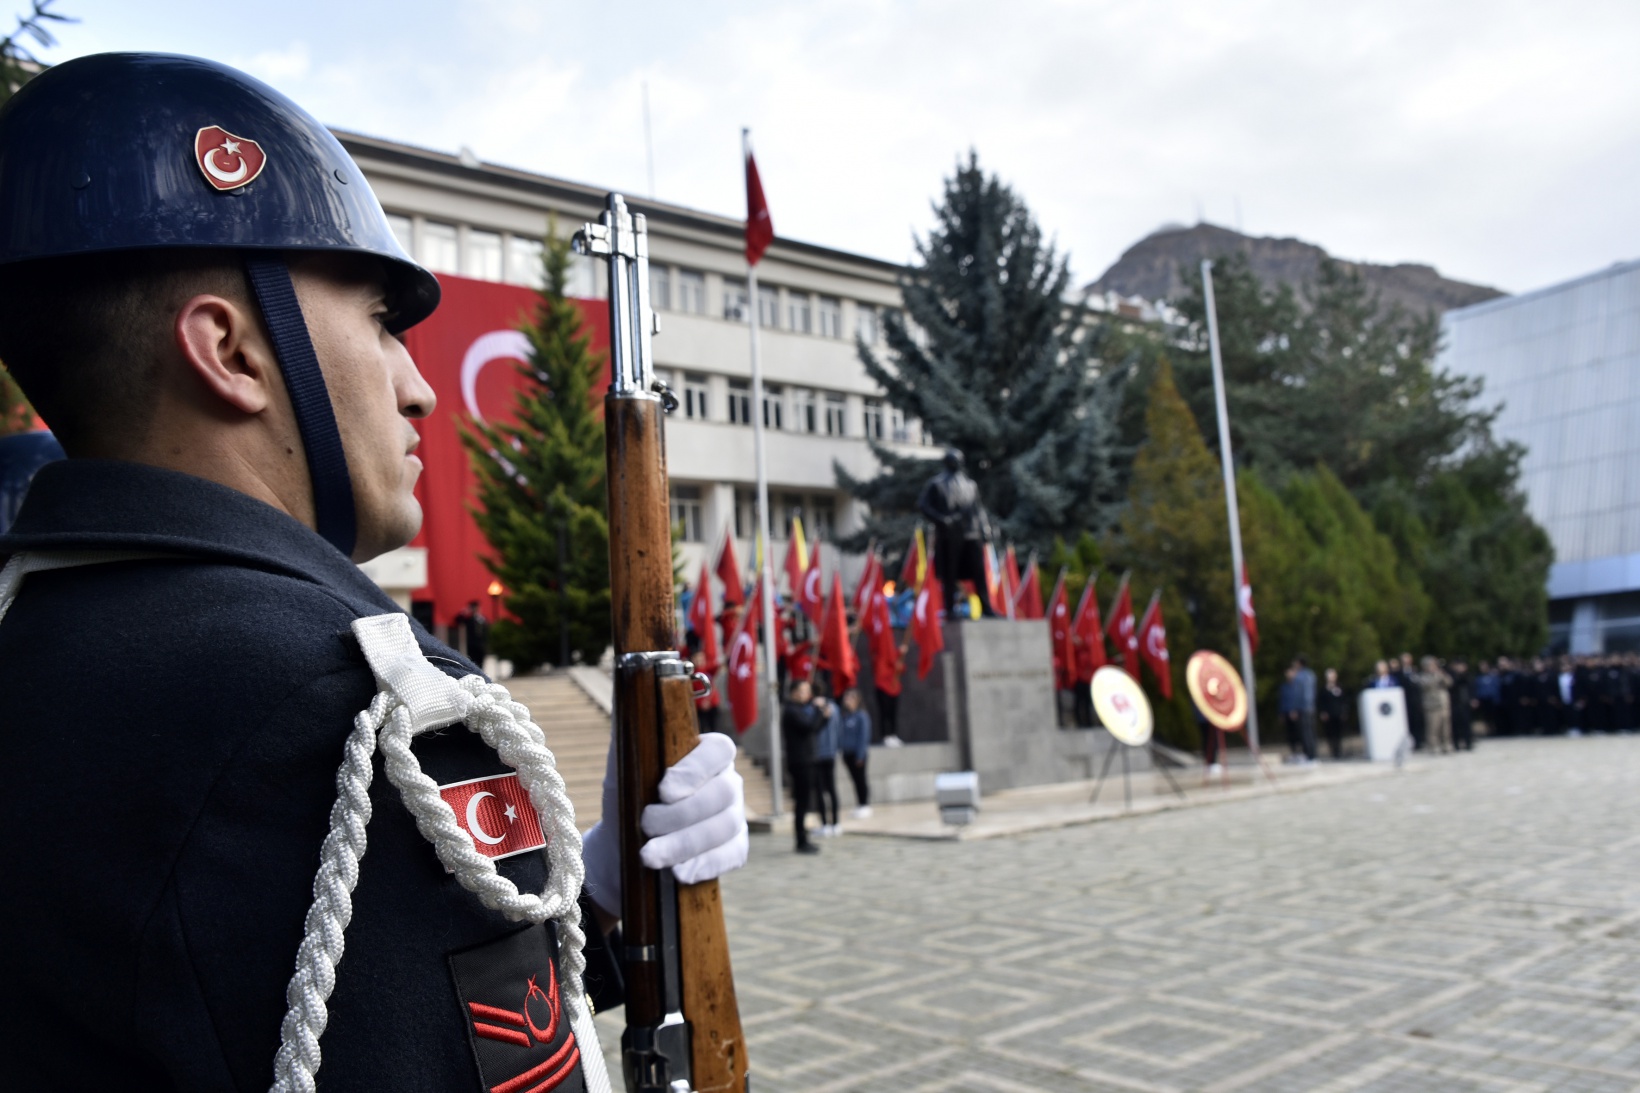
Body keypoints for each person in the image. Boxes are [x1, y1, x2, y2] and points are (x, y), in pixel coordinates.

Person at [0, 53, 747, 1092]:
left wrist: (596, 892)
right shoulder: (342, 711)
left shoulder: (38, 644)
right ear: (231, 352)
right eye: (381, 324)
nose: (419, 390)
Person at [917, 448, 998, 616]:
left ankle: (987, 607)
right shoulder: (936, 484)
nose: (958, 463)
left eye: (960, 460)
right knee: (950, 572)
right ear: (947, 463)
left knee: (979, 571)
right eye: (954, 460)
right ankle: (950, 609)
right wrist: (942, 520)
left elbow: (978, 509)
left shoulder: (970, 485)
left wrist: (985, 528)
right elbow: (923, 505)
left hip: (972, 533)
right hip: (950, 535)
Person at [781, 679, 826, 853]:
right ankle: (801, 840)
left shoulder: (800, 709)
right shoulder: (792, 711)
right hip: (800, 761)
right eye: (803, 690)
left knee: (805, 800)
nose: (807, 694)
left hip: (807, 760)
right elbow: (809, 726)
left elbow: (815, 728)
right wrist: (819, 711)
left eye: (808, 690)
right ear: (794, 692)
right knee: (802, 801)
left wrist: (823, 717)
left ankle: (803, 837)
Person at [811, 684, 842, 836]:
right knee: (831, 789)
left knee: (821, 790)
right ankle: (835, 823)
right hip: (831, 753)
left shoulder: (813, 708)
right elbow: (838, 729)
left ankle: (825, 824)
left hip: (818, 753)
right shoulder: (835, 708)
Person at [838, 688, 874, 817]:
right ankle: (859, 804)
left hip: (858, 754)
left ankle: (865, 804)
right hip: (847, 753)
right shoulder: (845, 716)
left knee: (860, 779)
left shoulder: (861, 716)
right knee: (854, 780)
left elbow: (863, 737)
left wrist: (860, 755)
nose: (847, 700)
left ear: (857, 700)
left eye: (850, 697)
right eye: (846, 697)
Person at [1415, 656, 1454, 754]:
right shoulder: (1422, 676)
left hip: (1443, 704)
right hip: (1431, 706)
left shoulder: (1440, 674)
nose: (1432, 667)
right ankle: (1433, 746)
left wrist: (1442, 675)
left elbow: (1449, 683)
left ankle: (1446, 744)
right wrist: (1435, 676)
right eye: (1430, 665)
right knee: (1433, 727)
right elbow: (1426, 685)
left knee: (1446, 727)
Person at [1395, 653, 1426, 749]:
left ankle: (1419, 742)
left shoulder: (1415, 671)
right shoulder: (1397, 673)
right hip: (1404, 702)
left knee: (1417, 722)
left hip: (1415, 701)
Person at [1318, 667, 1348, 759]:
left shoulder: (1340, 687)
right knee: (1330, 733)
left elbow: (1344, 701)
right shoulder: (1323, 689)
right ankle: (1333, 750)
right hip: (1328, 715)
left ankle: (1338, 751)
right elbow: (1321, 702)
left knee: (1338, 733)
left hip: (1338, 714)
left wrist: (1344, 711)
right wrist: (1323, 712)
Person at [454, 596, 490, 667]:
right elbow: (457, 620)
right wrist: (464, 612)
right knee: (472, 662)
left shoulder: (483, 619)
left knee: (481, 663)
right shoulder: (469, 619)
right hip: (471, 644)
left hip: (481, 645)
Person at [1449, 659, 1476, 751]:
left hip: (1465, 703)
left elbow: (1472, 688)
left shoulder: (1468, 676)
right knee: (1455, 724)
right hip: (1454, 703)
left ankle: (1468, 742)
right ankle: (1456, 743)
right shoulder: (1452, 676)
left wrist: (1473, 699)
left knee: (1466, 723)